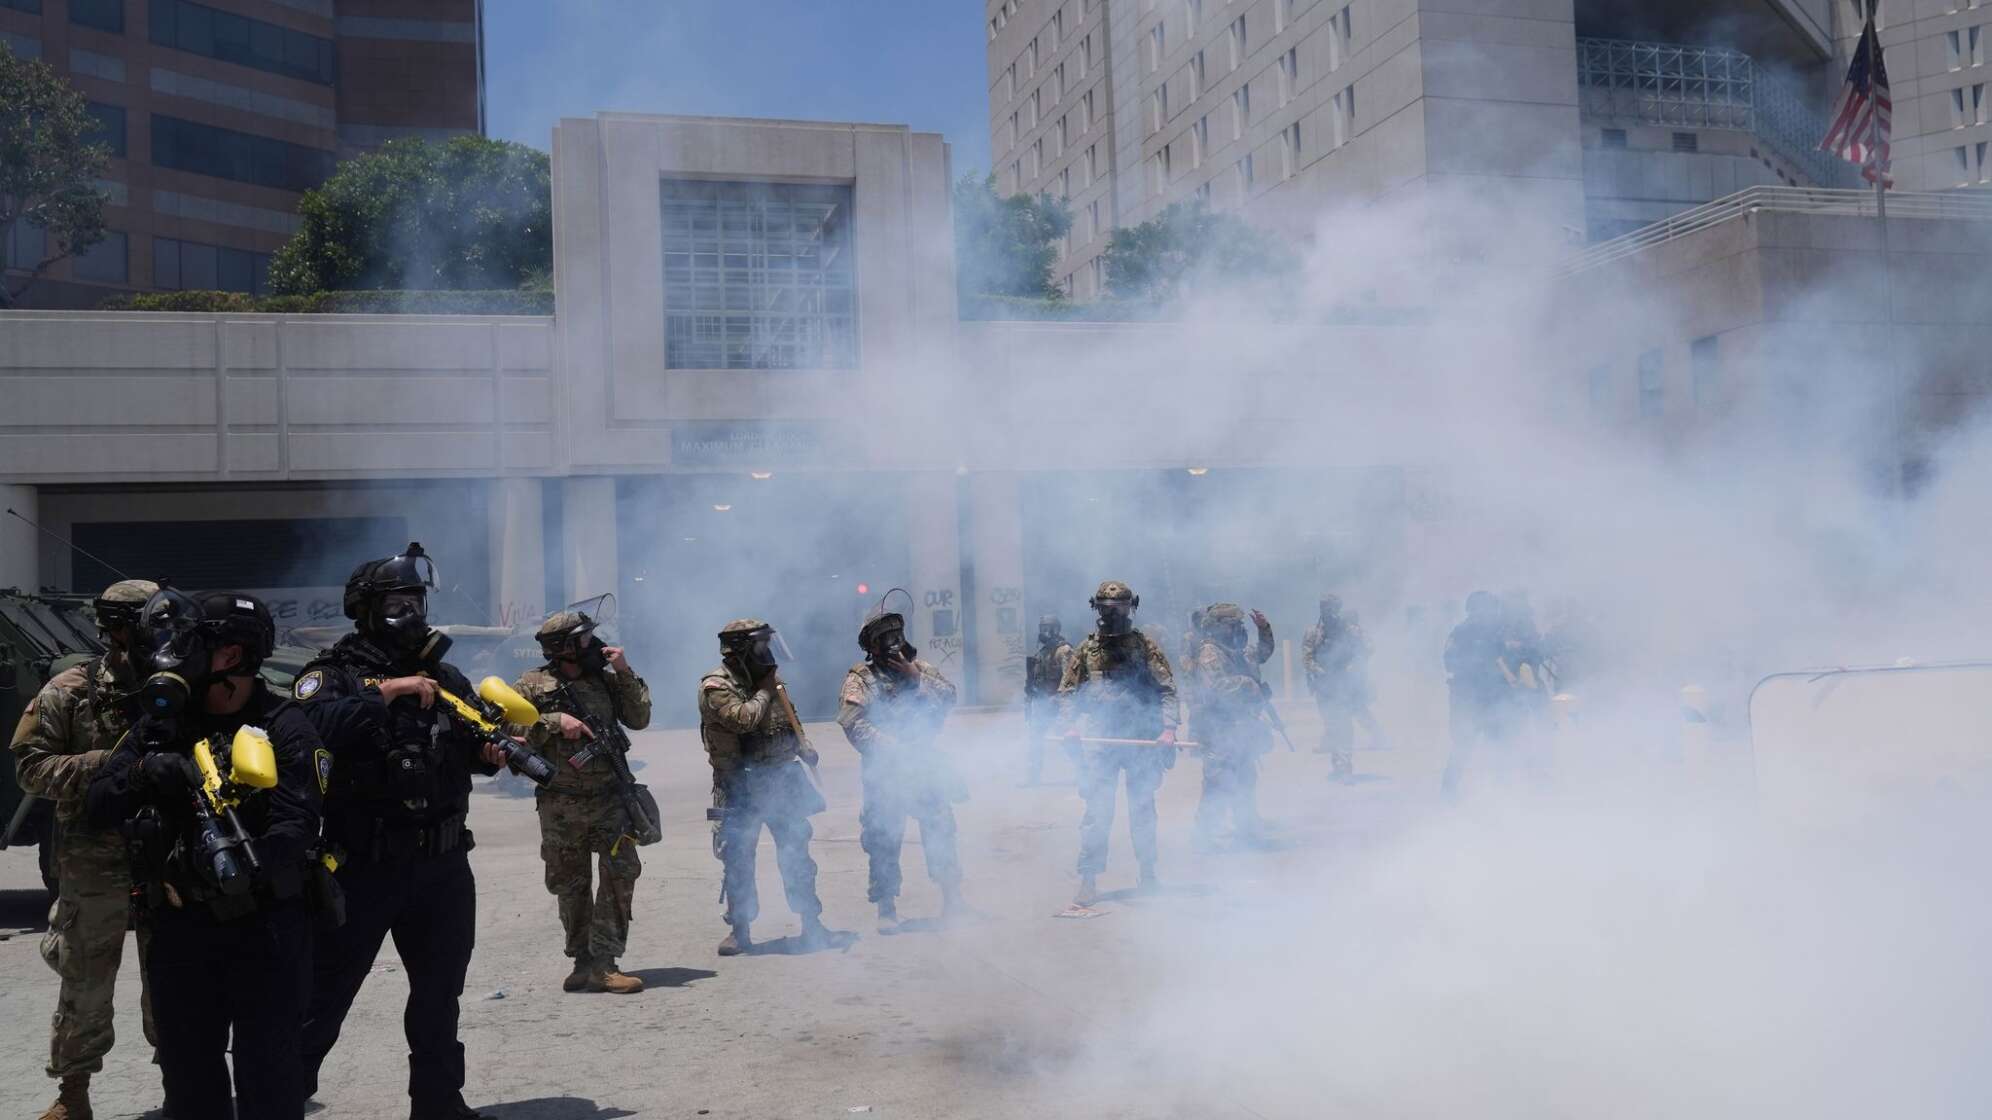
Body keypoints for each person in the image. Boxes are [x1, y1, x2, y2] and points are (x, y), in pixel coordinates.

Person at [292, 543, 517, 1120]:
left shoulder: (443, 677)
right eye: (397, 602)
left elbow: (471, 748)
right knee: (326, 994)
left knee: (440, 993)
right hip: (364, 864)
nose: (411, 615)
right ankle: (279, 1099)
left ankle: (439, 1103)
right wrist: (382, 694)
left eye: (416, 601)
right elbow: (304, 730)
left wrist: (492, 752)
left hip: (441, 866)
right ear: (365, 611)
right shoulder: (332, 676)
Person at [84, 589, 323, 1120]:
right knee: (189, 1082)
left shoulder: (284, 725)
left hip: (266, 932)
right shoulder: (163, 725)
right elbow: (96, 803)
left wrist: (240, 859)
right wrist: (147, 772)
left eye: (190, 643)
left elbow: (297, 825)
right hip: (180, 929)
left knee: (269, 1079)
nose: (173, 652)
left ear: (232, 656)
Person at [11, 579, 160, 1120]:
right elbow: (30, 768)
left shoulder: (179, 685)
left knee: (172, 977)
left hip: (166, 858)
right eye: (143, 622)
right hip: (91, 861)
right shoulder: (70, 690)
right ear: (115, 627)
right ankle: (73, 1095)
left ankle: (184, 1081)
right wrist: (103, 765)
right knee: (84, 981)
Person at [514, 604, 652, 995]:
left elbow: (639, 717)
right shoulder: (531, 685)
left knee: (621, 873)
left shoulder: (605, 681)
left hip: (610, 798)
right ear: (565, 648)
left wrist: (624, 671)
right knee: (569, 884)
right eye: (586, 639)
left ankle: (606, 962)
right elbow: (503, 723)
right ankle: (583, 961)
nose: (595, 644)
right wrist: (554, 723)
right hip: (562, 803)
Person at [698, 619, 833, 956]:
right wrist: (764, 690)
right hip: (740, 784)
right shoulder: (717, 686)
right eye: (759, 645)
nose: (767, 652)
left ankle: (811, 922)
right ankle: (740, 930)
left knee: (796, 853)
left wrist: (805, 745)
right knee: (738, 858)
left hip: (781, 780)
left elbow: (789, 717)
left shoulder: (772, 683)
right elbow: (742, 719)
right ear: (740, 648)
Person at [837, 609, 966, 931]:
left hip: (924, 769)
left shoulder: (920, 669)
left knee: (941, 831)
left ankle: (953, 900)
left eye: (898, 635)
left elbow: (949, 697)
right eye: (887, 637)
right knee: (883, 838)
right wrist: (892, 748)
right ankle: (886, 908)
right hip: (886, 773)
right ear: (874, 644)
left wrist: (916, 679)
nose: (895, 643)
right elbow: (854, 724)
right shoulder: (861, 678)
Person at [1057, 580, 1180, 906]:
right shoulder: (1086, 650)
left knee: (1141, 809)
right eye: (1107, 607)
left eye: (1120, 607)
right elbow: (1067, 693)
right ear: (1096, 608)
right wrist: (1069, 727)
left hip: (1140, 738)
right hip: (1101, 739)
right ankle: (1088, 879)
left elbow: (1167, 689)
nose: (1113, 613)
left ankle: (1149, 873)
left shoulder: (1144, 647)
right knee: (1098, 811)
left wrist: (1168, 729)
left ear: (1132, 606)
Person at [1188, 604, 1275, 848]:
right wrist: (1248, 685)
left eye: (1239, 625)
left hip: (1240, 727)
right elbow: (1217, 686)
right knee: (1218, 782)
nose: (1237, 629)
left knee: (1246, 778)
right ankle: (1203, 835)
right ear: (1218, 627)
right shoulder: (1210, 653)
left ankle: (1245, 829)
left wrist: (1264, 629)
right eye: (1232, 625)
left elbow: (1264, 653)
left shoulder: (1235, 651)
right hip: (1218, 728)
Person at [1439, 590, 1514, 799]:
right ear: (1474, 609)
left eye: (1491, 608)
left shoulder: (1498, 632)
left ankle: (1503, 791)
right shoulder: (1461, 633)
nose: (1490, 612)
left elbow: (1513, 658)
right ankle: (1448, 792)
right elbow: (1449, 661)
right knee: (1463, 744)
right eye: (1486, 608)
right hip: (1468, 696)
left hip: (1494, 696)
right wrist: (1480, 663)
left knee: (1501, 744)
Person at [1302, 595, 1373, 781]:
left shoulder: (1349, 630)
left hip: (1344, 684)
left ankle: (1345, 766)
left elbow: (1366, 649)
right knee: (1332, 725)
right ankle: (1338, 765)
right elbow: (1307, 658)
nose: (1328, 612)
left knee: (1344, 724)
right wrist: (1320, 671)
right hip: (1324, 685)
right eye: (1325, 608)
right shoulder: (1313, 632)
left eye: (1332, 608)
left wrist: (1351, 667)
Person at [1022, 614, 1074, 786]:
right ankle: (1033, 777)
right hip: (1043, 703)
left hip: (1059, 703)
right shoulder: (1043, 652)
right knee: (1035, 739)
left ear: (1056, 629)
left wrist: (1060, 700)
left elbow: (1069, 679)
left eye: (1048, 628)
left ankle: (1084, 772)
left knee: (1067, 738)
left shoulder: (1064, 651)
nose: (1044, 632)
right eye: (1042, 628)